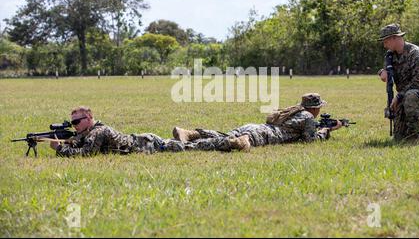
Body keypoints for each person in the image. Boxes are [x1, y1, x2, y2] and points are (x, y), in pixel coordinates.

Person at [172, 93, 343, 152]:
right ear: (315, 108)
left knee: (227, 135)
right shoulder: (308, 118)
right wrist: (325, 132)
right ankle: (187, 146)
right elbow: (309, 140)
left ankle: (191, 133)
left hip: (255, 127)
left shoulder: (295, 110)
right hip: (263, 135)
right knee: (229, 143)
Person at [377, 23, 419, 142]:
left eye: (385, 41)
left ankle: (416, 135)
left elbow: (418, 83)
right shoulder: (390, 55)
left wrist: (399, 96)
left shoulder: (415, 53)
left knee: (411, 95)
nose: (384, 45)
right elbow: (385, 70)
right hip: (403, 96)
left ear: (394, 38)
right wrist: (382, 72)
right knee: (399, 137)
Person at [50, 106, 184, 157]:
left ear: (89, 117)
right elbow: (80, 144)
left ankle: (195, 134)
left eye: (76, 122)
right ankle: (185, 134)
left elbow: (87, 154)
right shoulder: (87, 132)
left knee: (186, 146)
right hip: (143, 140)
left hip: (147, 144)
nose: (74, 126)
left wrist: (60, 149)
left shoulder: (98, 132)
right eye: (72, 123)